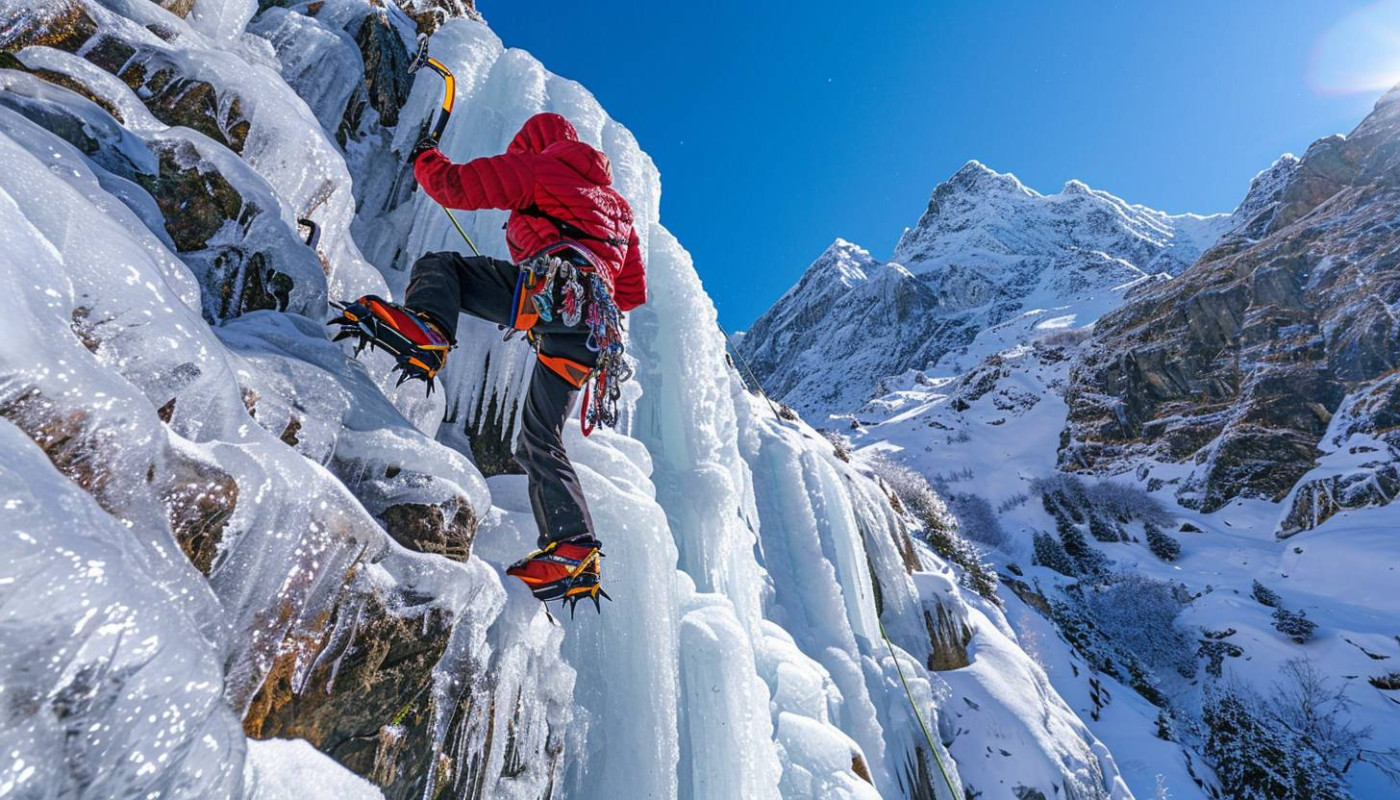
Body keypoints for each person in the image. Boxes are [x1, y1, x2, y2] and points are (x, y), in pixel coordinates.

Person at [330, 112, 647, 614]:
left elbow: (455, 187)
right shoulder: (619, 207)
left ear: (536, 145)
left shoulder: (543, 169)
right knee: (540, 439)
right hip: (592, 331)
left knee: (442, 266)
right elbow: (631, 291)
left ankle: (430, 330)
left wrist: (427, 156)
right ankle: (573, 550)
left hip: (552, 291)